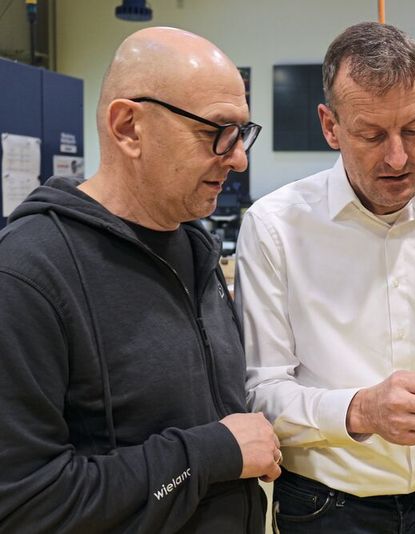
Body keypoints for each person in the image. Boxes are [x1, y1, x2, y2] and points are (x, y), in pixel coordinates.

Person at [236, 22, 415, 534]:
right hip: (327, 508)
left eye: (413, 130)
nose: (398, 157)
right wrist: (359, 411)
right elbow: (261, 391)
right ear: (330, 126)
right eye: (372, 135)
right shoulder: (274, 227)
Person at [0, 27, 280, 532]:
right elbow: (27, 503)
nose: (239, 157)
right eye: (217, 131)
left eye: (242, 133)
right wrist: (210, 453)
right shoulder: (27, 274)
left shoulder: (194, 250)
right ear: (129, 127)